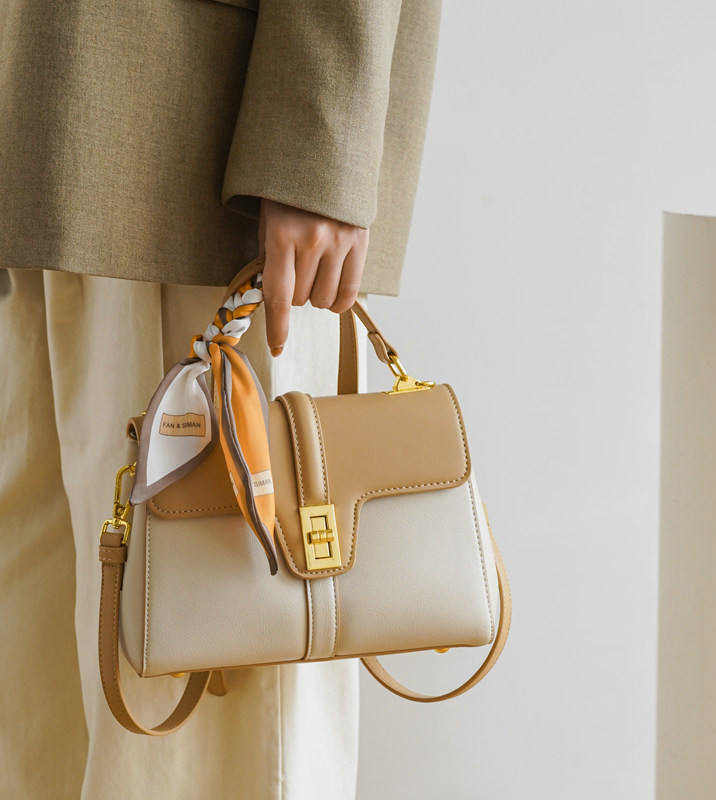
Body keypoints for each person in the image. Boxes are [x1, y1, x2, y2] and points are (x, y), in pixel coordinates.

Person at [0, 1, 441, 797]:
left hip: (194, 158)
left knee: (213, 730)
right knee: (39, 701)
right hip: (39, 137)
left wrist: (317, 144)